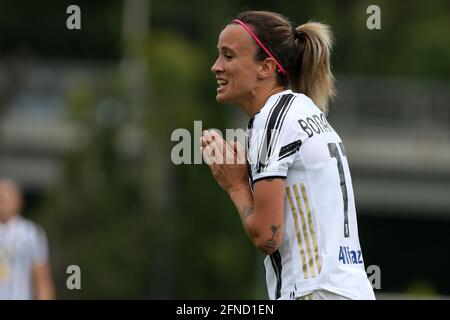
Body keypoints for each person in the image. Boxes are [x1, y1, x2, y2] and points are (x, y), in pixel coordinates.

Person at [201, 10, 375, 300]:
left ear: (266, 67)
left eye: (228, 56)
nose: (215, 66)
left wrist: (236, 185)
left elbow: (268, 235)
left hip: (312, 292)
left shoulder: (272, 119)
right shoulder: (305, 110)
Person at [0, 179, 55, 300]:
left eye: (7, 194)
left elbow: (42, 279)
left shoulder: (30, 233)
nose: (2, 199)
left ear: (18, 200)